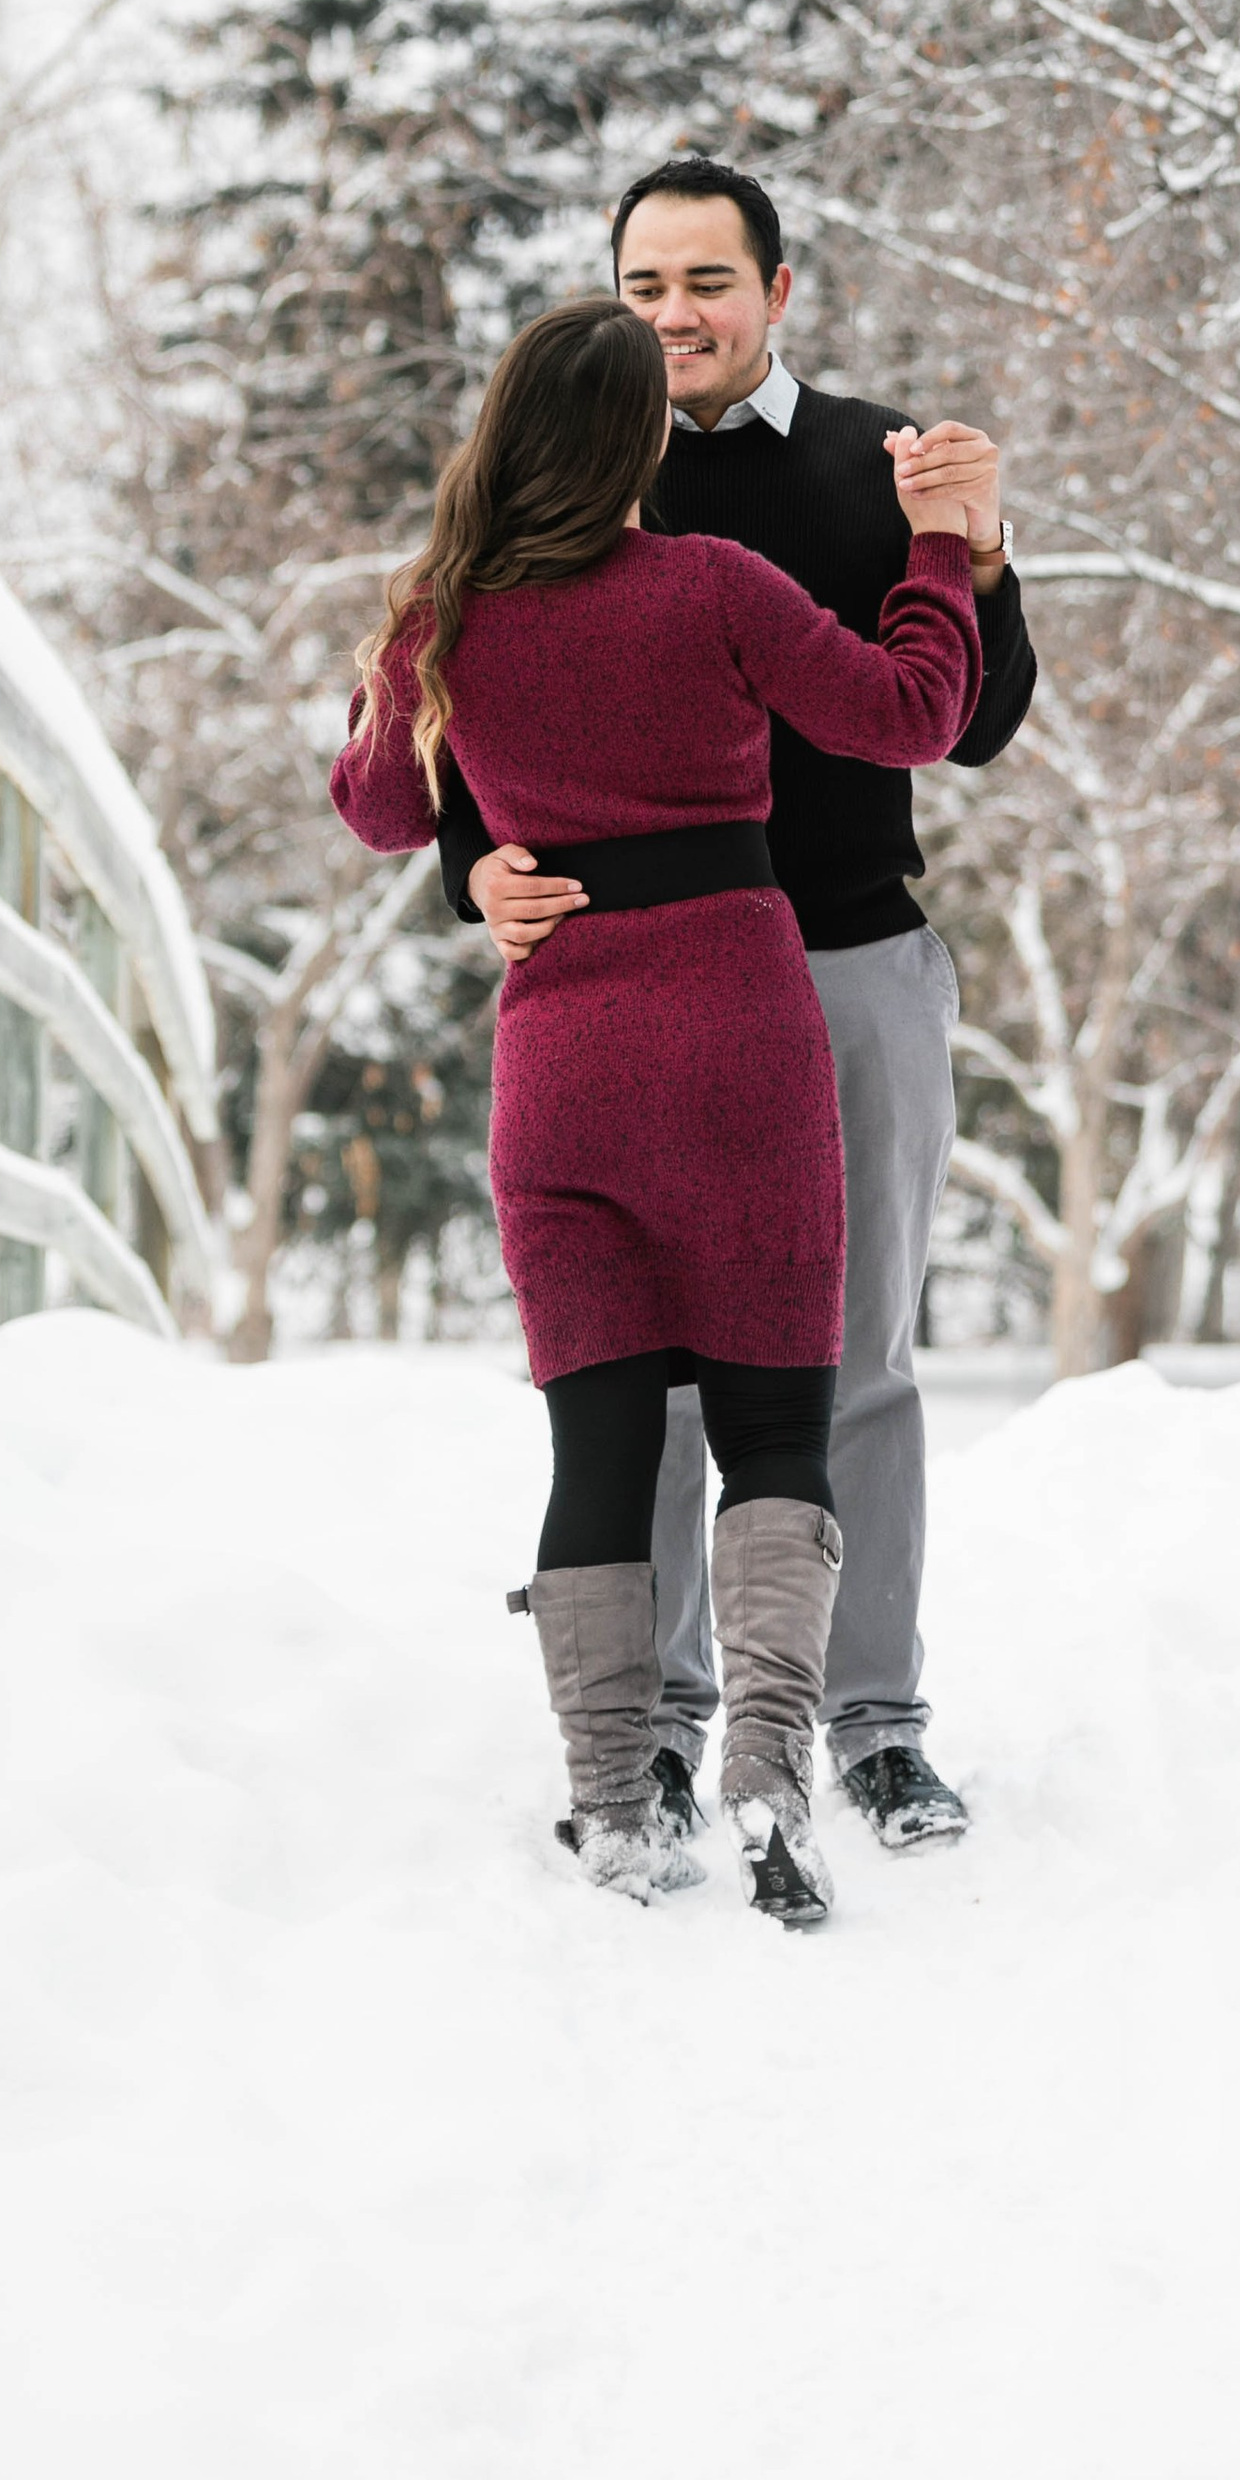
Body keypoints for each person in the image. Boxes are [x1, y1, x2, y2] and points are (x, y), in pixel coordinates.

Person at [329, 293, 981, 1927]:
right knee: (773, 1426)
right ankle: (771, 1772)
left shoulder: (449, 616)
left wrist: (405, 693)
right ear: (635, 447)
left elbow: (377, 807)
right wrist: (939, 561)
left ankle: (617, 1805)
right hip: (744, 1042)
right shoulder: (711, 585)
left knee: (601, 1443)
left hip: (567, 1073)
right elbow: (913, 713)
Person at [436, 156, 1036, 1852]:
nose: (675, 315)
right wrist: (471, 874)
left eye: (707, 281)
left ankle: (873, 1719)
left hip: (846, 963)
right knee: (664, 1381)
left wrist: (974, 554)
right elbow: (459, 727)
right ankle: (671, 1725)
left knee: (858, 1359)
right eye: (642, 288)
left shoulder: (878, 460)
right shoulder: (563, 477)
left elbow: (968, 722)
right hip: (635, 979)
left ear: (779, 291)